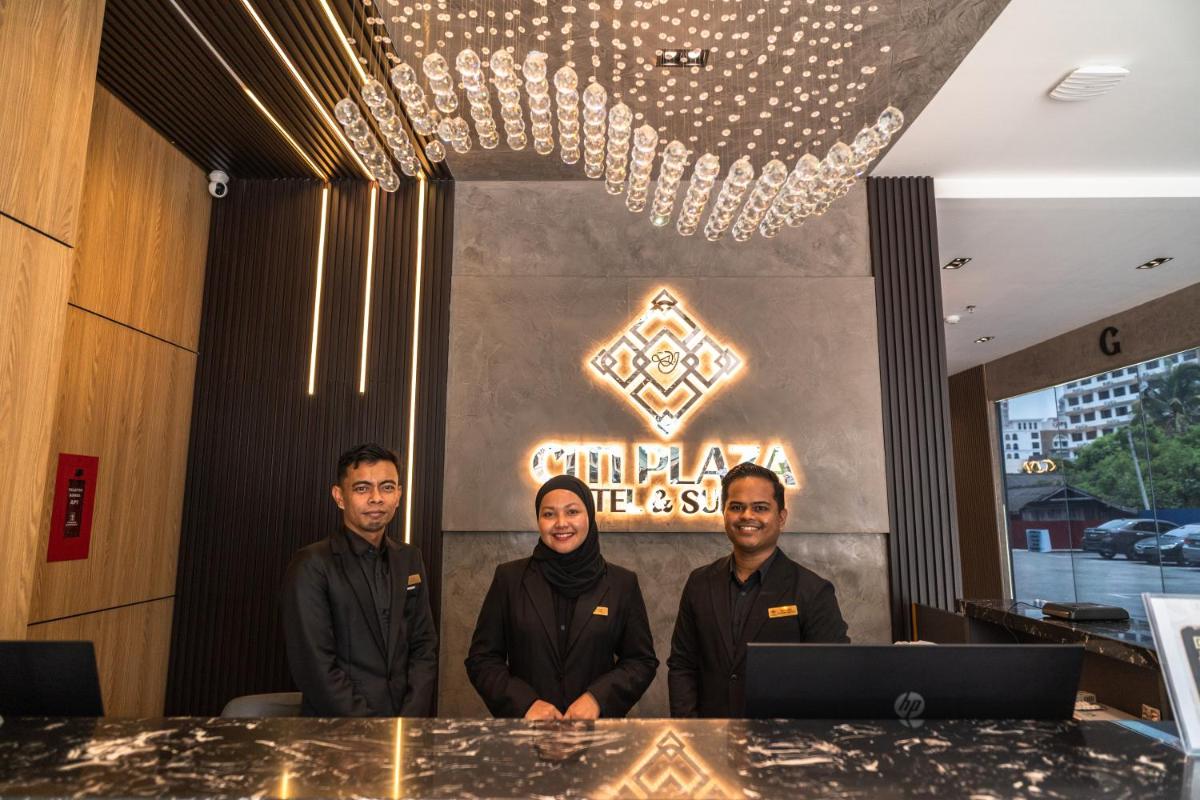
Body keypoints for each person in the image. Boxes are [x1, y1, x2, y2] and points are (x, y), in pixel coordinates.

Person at [465, 474, 658, 719]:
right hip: (526, 734)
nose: (561, 523)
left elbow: (640, 661)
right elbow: (482, 659)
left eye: (572, 512)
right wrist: (525, 704)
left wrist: (597, 699)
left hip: (596, 734)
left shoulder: (622, 584)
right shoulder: (509, 579)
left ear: (590, 516)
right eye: (549, 514)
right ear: (538, 520)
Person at [667, 462, 849, 718]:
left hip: (783, 739)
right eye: (736, 507)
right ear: (724, 513)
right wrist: (691, 730)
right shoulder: (699, 583)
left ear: (781, 517)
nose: (747, 516)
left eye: (760, 508)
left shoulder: (813, 591)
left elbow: (832, 677)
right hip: (710, 736)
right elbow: (683, 665)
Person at [281, 443, 438, 717]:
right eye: (362, 488)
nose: (376, 498)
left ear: (399, 495)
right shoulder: (312, 564)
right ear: (339, 496)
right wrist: (373, 729)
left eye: (387, 487)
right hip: (338, 731)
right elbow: (315, 667)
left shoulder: (410, 558)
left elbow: (424, 646)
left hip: (405, 727)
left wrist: (408, 721)